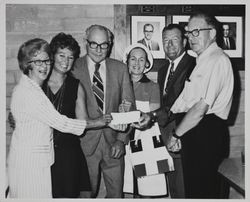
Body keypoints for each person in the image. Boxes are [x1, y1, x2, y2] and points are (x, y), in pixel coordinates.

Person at [136, 12, 234, 198]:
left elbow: (200, 107)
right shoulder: (203, 61)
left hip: (206, 131)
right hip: (194, 132)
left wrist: (176, 134)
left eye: (196, 31)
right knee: (194, 190)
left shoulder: (217, 60)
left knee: (205, 191)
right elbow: (181, 103)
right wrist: (153, 116)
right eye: (189, 32)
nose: (190, 37)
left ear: (212, 33)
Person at [7, 38, 112, 198]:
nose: (44, 66)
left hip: (60, 154)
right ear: (28, 64)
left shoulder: (37, 86)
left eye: (46, 61)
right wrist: (99, 121)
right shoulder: (33, 87)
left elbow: (77, 119)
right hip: (33, 160)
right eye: (38, 62)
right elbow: (60, 122)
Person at [72, 24, 135, 198]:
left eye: (104, 45)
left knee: (116, 195)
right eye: (94, 44)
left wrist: (121, 140)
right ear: (86, 42)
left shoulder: (120, 69)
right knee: (85, 195)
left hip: (114, 144)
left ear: (110, 44)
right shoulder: (72, 68)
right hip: (83, 145)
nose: (99, 50)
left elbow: (129, 105)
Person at [42, 32, 90, 198]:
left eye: (70, 57)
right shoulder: (37, 83)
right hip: (40, 153)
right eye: (62, 55)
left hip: (68, 155)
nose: (66, 61)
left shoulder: (76, 86)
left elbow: (82, 124)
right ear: (52, 56)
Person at [122, 43, 174, 198]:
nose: (136, 63)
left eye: (141, 59)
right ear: (127, 61)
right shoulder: (121, 85)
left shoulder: (152, 86)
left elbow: (152, 115)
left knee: (148, 187)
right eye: (133, 59)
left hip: (145, 140)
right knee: (129, 185)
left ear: (147, 64)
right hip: (124, 139)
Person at [158, 24, 196, 198]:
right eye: (166, 40)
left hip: (184, 135)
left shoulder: (194, 65)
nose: (170, 45)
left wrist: (151, 116)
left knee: (184, 188)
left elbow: (181, 103)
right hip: (166, 134)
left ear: (185, 41)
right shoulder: (163, 70)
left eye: (175, 39)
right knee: (173, 186)